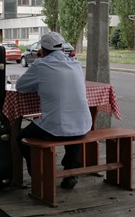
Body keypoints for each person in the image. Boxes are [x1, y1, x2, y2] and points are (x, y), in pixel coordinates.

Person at [16, 32, 92, 189]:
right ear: (62, 47)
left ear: (42, 49)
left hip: (54, 127)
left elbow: (20, 86)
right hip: (84, 125)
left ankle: (39, 174)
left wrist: (40, 62)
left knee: (21, 138)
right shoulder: (75, 64)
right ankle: (71, 170)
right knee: (73, 126)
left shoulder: (41, 65)